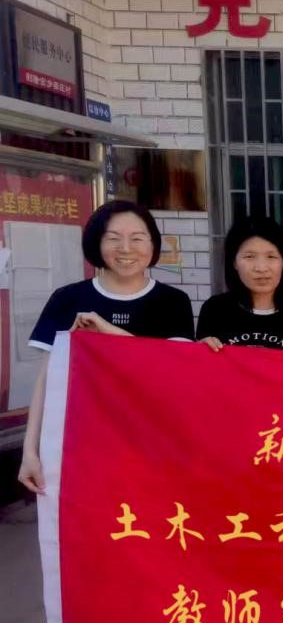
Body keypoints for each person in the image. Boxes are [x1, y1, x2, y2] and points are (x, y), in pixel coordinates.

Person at [18, 200, 194, 494]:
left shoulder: (172, 302)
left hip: (154, 442)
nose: (126, 248)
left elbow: (172, 369)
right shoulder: (68, 298)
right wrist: (29, 451)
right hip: (83, 443)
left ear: (152, 244)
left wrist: (107, 331)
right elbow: (47, 381)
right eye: (113, 238)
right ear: (96, 243)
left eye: (137, 238)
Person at [197, 215, 283, 353]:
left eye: (271, 256)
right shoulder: (215, 310)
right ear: (234, 262)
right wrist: (201, 351)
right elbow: (202, 365)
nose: (261, 268)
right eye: (249, 256)